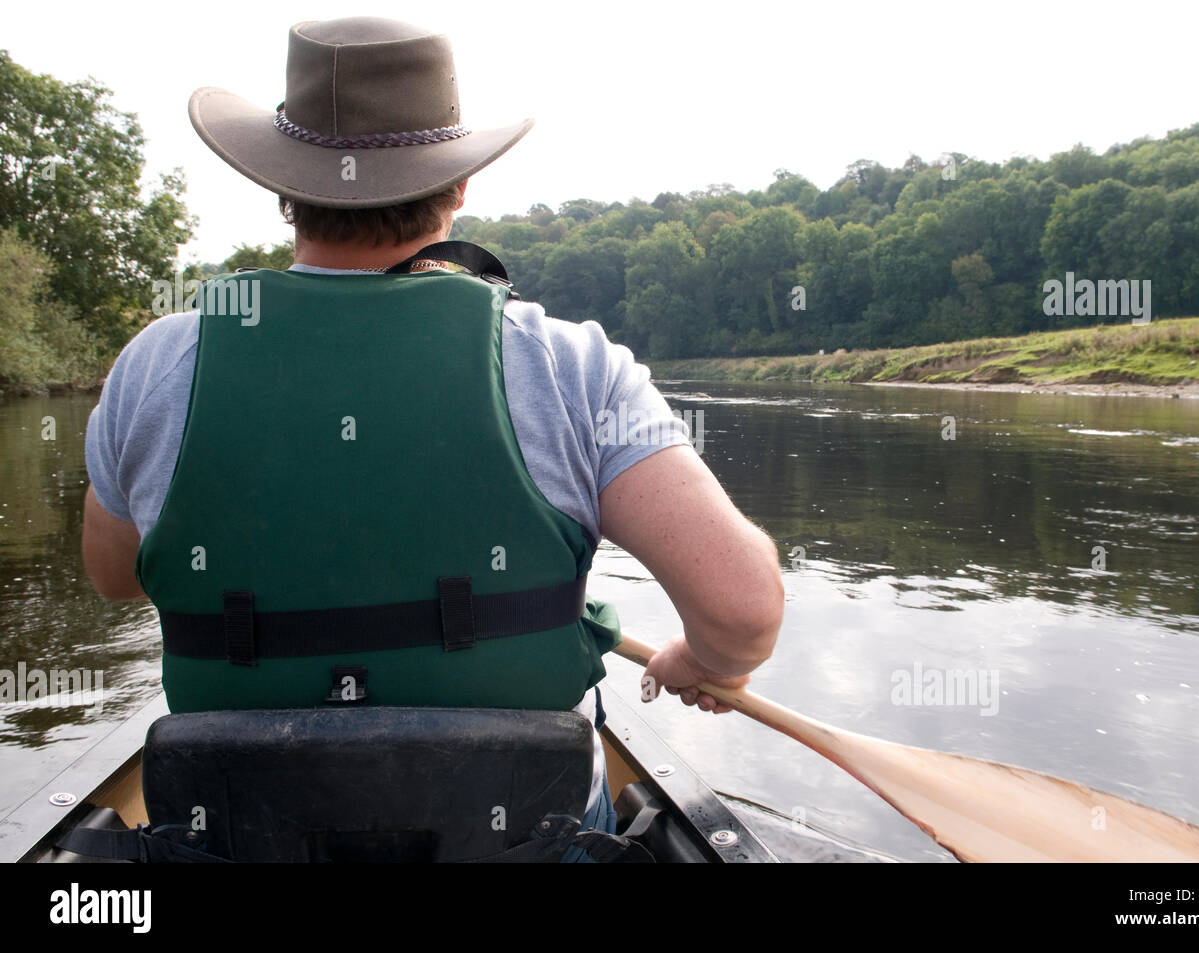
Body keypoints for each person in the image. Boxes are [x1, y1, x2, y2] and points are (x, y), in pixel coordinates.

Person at [81, 17, 784, 858]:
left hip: (238, 841)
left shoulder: (156, 365)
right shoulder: (572, 363)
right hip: (523, 843)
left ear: (283, 190)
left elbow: (115, 576)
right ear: (457, 189)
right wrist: (700, 657)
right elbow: (743, 609)